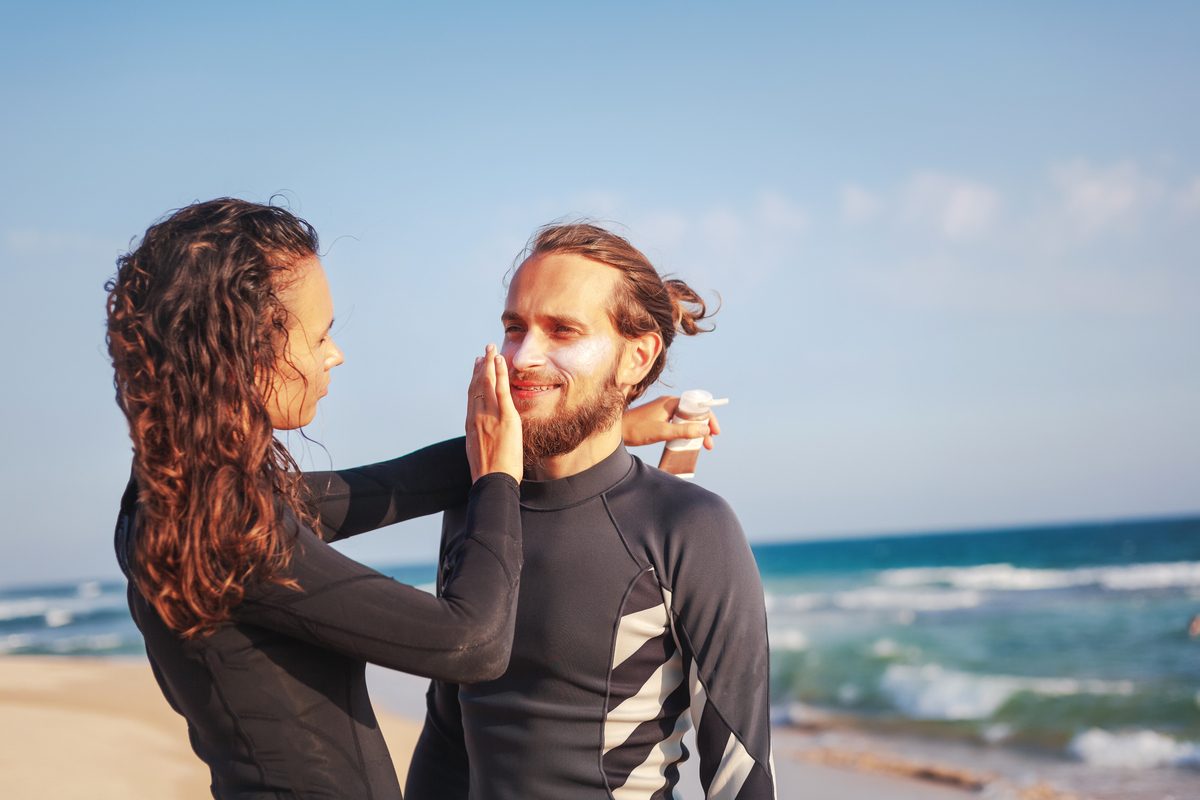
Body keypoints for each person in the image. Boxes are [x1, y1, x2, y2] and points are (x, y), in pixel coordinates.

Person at [105, 200, 707, 799]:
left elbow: (386, 489)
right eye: (319, 336)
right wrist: (497, 484)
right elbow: (471, 643)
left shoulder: (184, 499)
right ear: (246, 347)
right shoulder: (221, 528)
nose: (332, 355)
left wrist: (609, 427)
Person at [407, 223, 775, 799]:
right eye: (514, 328)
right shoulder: (480, 504)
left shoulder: (690, 528)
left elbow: (740, 767)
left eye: (562, 331)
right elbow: (446, 733)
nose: (524, 356)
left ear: (637, 357)